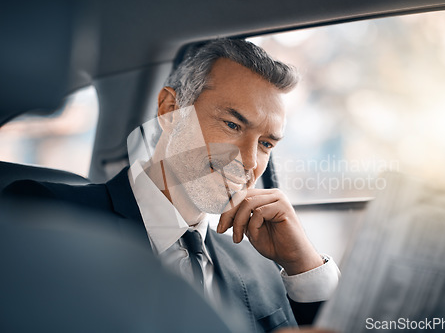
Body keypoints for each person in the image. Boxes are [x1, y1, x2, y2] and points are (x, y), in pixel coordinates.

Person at [4, 39, 339, 332]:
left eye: (266, 144)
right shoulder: (51, 213)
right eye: (233, 125)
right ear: (169, 109)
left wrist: (302, 266)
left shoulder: (260, 260)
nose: (250, 161)